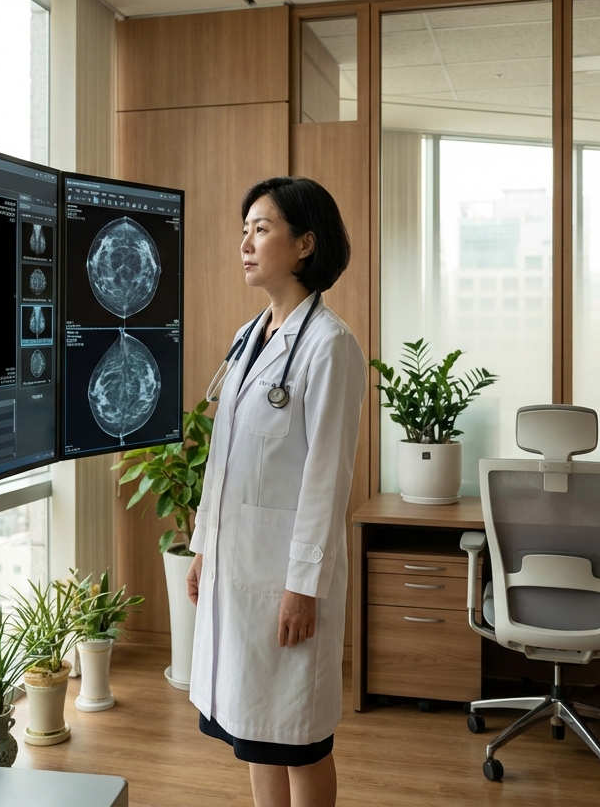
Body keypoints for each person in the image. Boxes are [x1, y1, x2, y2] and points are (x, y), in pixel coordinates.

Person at [187, 176, 366, 807]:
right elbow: (224, 459)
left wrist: (303, 585)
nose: (246, 242)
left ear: (305, 244)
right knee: (254, 726)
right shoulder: (249, 337)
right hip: (237, 564)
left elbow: (327, 478)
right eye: (244, 230)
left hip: (286, 574)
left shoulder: (330, 346)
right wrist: (203, 545)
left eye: (261, 229)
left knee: (298, 736)